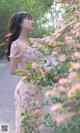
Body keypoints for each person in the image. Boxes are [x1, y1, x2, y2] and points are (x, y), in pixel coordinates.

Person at [6, 12, 43, 133]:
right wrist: (30, 72)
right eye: (29, 19)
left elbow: (53, 38)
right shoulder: (17, 44)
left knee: (36, 125)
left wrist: (73, 23)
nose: (33, 21)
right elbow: (12, 70)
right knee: (25, 126)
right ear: (20, 23)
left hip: (37, 89)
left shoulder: (32, 42)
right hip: (25, 91)